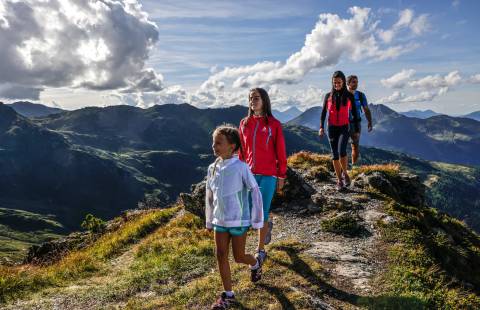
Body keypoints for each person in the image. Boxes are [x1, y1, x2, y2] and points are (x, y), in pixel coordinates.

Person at [206, 125, 264, 310]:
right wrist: (209, 219)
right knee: (221, 254)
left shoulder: (241, 167)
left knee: (239, 257)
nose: (214, 146)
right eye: (213, 142)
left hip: (238, 220)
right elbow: (209, 194)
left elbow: (255, 191)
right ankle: (228, 294)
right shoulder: (212, 168)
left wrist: (257, 220)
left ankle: (255, 263)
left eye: (218, 143)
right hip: (219, 221)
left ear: (232, 146)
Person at [239, 88, 287, 266]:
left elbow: (280, 151)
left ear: (264, 100)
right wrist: (241, 172)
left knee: (262, 211)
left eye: (256, 98)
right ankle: (265, 229)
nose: (253, 101)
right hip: (249, 173)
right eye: (251, 98)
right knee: (249, 211)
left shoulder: (274, 124)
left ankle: (260, 250)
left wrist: (281, 175)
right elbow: (242, 152)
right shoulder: (244, 123)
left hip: (269, 174)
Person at [319, 71, 360, 191]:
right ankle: (339, 180)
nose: (337, 84)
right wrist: (321, 127)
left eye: (339, 82)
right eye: (334, 83)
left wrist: (356, 130)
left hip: (344, 127)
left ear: (343, 82)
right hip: (331, 127)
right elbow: (323, 113)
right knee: (334, 154)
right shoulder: (328, 96)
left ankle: (345, 173)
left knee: (342, 151)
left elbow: (354, 114)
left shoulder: (349, 96)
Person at [347, 75, 373, 165]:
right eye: (353, 82)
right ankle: (343, 168)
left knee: (355, 146)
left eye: (357, 82)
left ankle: (354, 166)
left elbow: (366, 109)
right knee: (341, 145)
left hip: (356, 123)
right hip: (343, 123)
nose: (356, 84)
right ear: (348, 83)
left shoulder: (361, 95)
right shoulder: (342, 95)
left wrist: (370, 122)